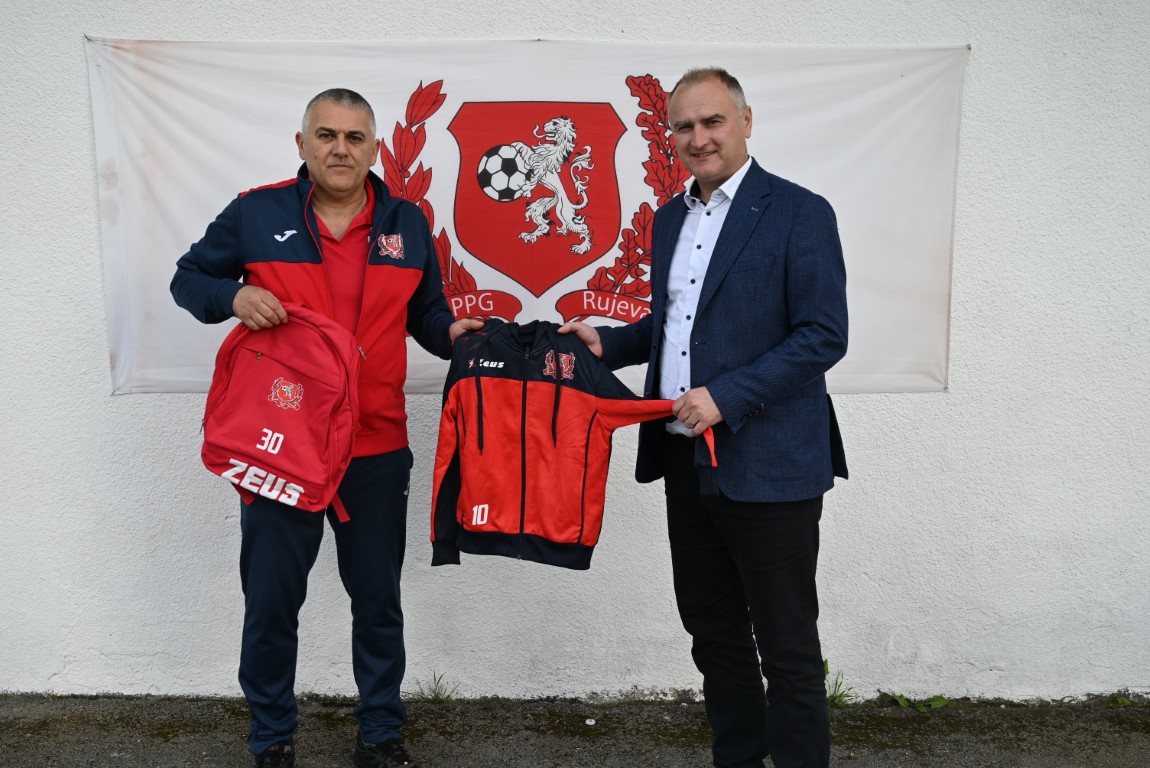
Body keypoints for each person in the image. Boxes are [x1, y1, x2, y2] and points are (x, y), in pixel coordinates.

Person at [171, 88, 480, 768]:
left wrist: (451, 332)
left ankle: (380, 734)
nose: (341, 149)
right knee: (272, 601)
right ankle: (271, 737)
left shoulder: (407, 222)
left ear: (375, 149)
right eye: (327, 135)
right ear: (303, 144)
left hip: (376, 446)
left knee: (378, 601)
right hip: (284, 447)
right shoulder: (256, 213)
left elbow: (426, 314)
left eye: (355, 137)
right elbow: (187, 279)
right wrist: (232, 294)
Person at [560, 68, 848, 768]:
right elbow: (675, 325)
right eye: (684, 126)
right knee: (714, 635)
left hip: (770, 463)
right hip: (685, 458)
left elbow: (822, 335)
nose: (699, 137)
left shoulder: (800, 212)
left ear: (746, 121)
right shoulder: (669, 218)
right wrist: (609, 343)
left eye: (712, 121)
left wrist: (727, 395)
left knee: (787, 646)